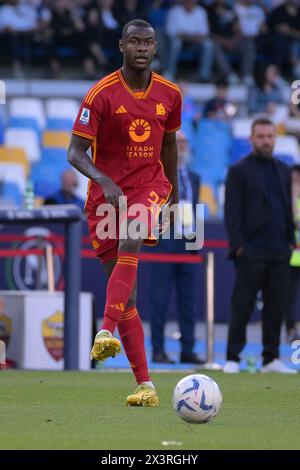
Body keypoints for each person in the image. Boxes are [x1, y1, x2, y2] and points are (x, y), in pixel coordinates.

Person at [68, 19, 181, 405]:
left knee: (133, 233)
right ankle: (146, 386)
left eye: (148, 42)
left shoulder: (170, 93)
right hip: (105, 197)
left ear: (156, 47)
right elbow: (74, 153)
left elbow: (170, 148)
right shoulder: (100, 94)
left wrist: (176, 198)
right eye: (134, 41)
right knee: (127, 298)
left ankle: (104, 332)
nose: (142, 48)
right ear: (121, 46)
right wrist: (104, 181)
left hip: (150, 186)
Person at [224, 117, 297, 374]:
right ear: (251, 139)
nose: (266, 141)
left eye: (270, 136)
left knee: (276, 306)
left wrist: (291, 240)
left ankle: (271, 358)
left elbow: (287, 207)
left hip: (280, 250)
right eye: (261, 137)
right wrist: (239, 246)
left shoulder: (283, 169)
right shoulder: (238, 170)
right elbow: (231, 212)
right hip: (251, 250)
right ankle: (233, 356)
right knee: (242, 305)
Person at [149, 131, 204, 365]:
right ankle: (158, 350)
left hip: (188, 243)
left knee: (188, 300)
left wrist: (197, 241)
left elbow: (196, 207)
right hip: (164, 243)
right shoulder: (157, 173)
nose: (182, 146)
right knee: (159, 300)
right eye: (178, 142)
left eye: (184, 142)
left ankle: (187, 349)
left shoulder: (194, 177)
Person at [286, 165, 300, 343]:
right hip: (290, 256)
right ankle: (290, 329)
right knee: (288, 296)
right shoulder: (286, 198)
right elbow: (293, 222)